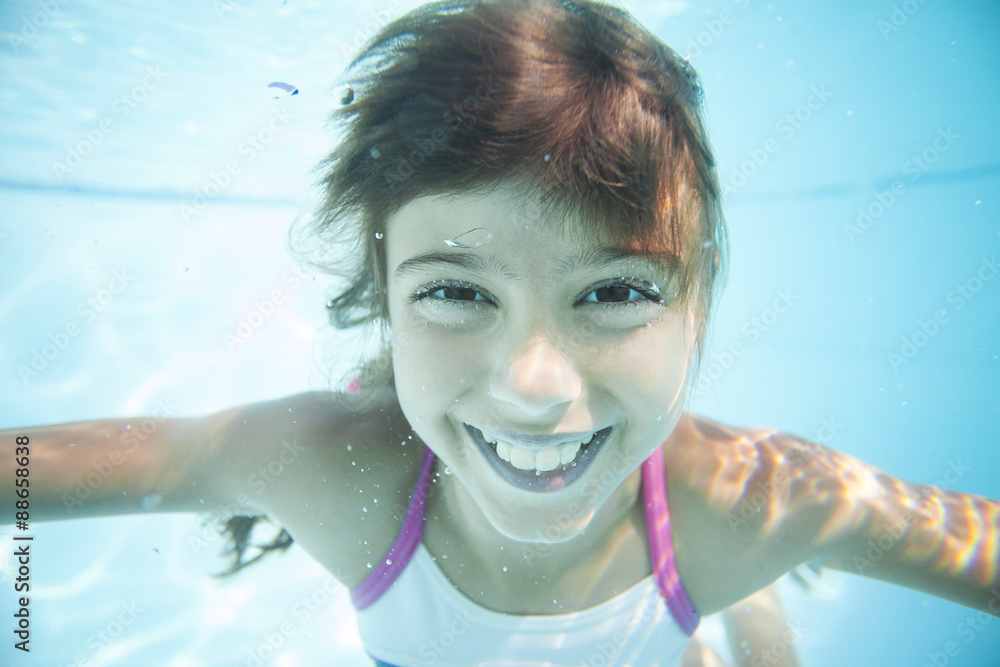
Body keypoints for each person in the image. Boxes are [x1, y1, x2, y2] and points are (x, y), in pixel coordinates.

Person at [3, 0, 998, 665]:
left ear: (700, 309)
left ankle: (753, 602)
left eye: (613, 293)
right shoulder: (332, 471)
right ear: (383, 299)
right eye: (456, 294)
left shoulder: (754, 503)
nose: (532, 385)